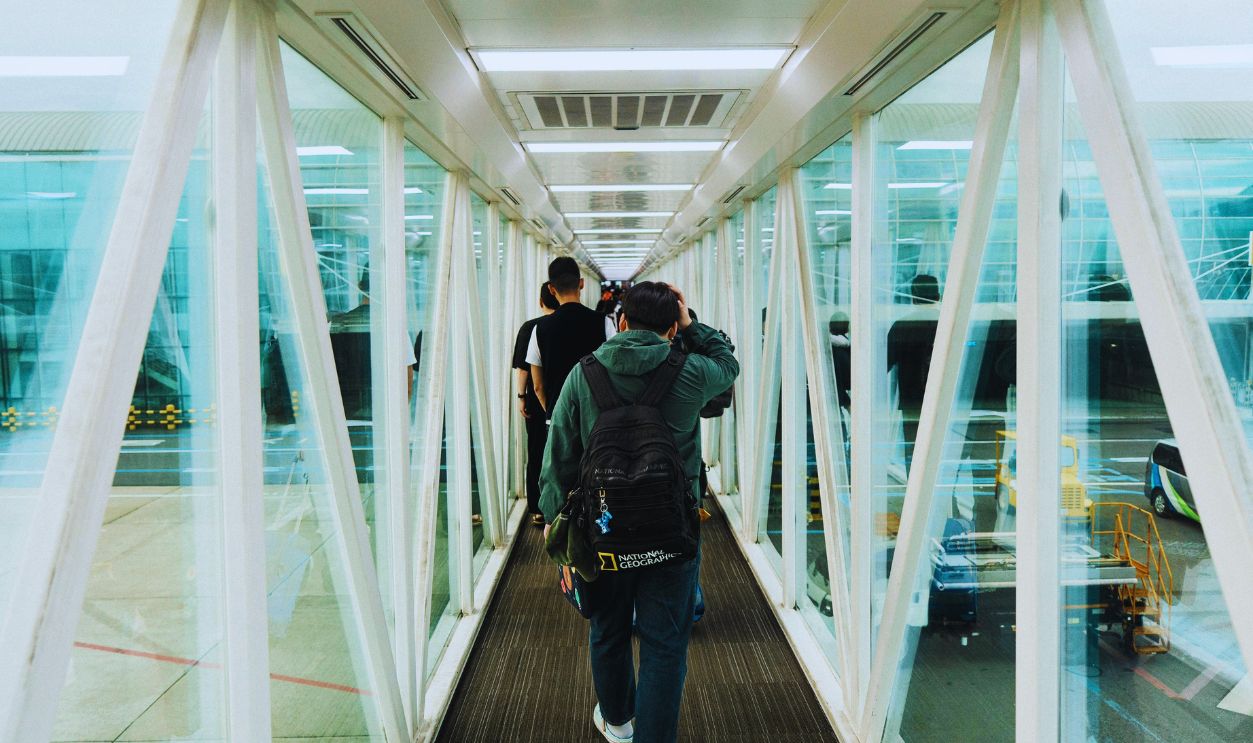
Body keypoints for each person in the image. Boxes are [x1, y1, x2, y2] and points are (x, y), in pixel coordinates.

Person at [540, 282, 739, 743]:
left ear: (622, 321)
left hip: (601, 529)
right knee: (665, 643)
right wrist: (691, 324)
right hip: (673, 531)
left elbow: (559, 455)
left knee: (608, 629)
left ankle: (618, 722)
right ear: (671, 329)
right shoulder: (691, 371)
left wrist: (555, 525)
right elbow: (728, 363)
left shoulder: (583, 374)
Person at [526, 256, 618, 414]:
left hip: (558, 415)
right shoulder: (603, 322)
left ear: (551, 289)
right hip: (597, 416)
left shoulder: (539, 329)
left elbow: (538, 386)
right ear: (581, 283)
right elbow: (615, 368)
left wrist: (554, 415)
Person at [512, 282, 560, 526]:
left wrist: (521, 396)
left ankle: (539, 508)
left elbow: (523, 369)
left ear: (541, 301)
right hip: (564, 395)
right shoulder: (564, 325)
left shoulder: (530, 327)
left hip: (537, 398)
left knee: (537, 449)